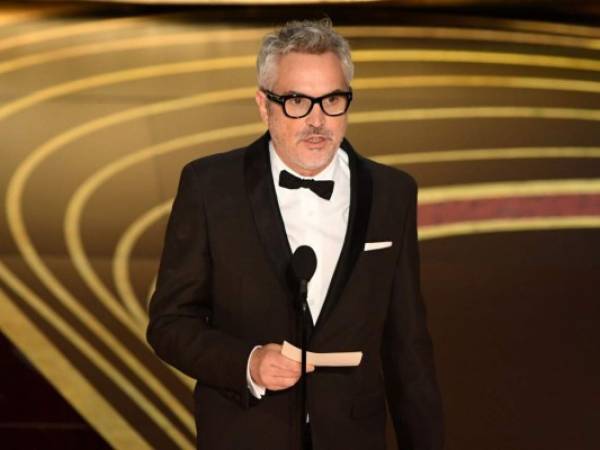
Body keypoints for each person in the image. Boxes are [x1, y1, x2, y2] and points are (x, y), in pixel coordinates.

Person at [147, 18, 443, 450]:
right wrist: (247, 364)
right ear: (264, 105)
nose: (317, 120)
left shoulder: (392, 194)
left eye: (332, 100)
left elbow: (408, 348)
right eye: (297, 101)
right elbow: (170, 324)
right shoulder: (210, 187)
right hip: (245, 435)